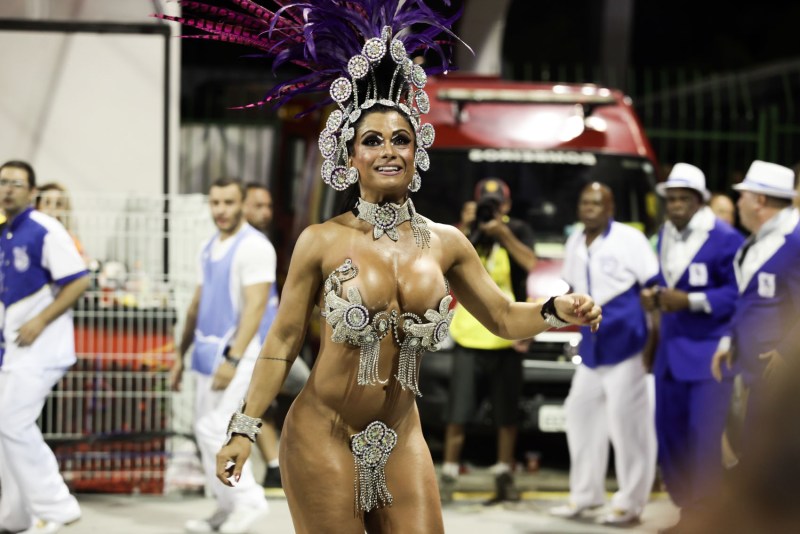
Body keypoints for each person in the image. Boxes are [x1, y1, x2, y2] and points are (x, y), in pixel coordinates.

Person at [158, 3, 602, 533]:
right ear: (349, 158)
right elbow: (283, 339)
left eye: (401, 139)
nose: (388, 151)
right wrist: (244, 428)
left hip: (400, 433)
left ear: (418, 152)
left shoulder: (447, 243)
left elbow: (504, 318)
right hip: (323, 432)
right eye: (372, 140)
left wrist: (556, 310)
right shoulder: (321, 241)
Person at [639, 163, 744, 533]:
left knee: (703, 438)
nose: (676, 205)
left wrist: (691, 301)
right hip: (669, 353)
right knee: (670, 435)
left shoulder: (727, 238)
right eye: (671, 199)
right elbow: (667, 278)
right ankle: (687, 511)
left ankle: (705, 517)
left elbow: (737, 293)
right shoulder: (665, 234)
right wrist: (654, 294)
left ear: (700, 201)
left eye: (684, 198)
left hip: (708, 354)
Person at [170, 177, 275, 533]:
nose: (221, 210)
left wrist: (233, 359)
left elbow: (255, 307)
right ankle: (226, 507)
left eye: (228, 202)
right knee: (204, 432)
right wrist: (179, 354)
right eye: (215, 202)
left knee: (216, 428)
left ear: (242, 204)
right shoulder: (208, 246)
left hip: (237, 354)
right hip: (205, 353)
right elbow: (196, 304)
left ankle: (249, 501)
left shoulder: (255, 247)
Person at [550, 182, 658, 526]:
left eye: (596, 203)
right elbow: (571, 289)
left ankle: (630, 504)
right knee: (579, 414)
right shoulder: (575, 241)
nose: (589, 208)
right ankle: (586, 496)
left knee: (629, 427)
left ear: (610, 208)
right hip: (592, 348)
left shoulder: (631, 239)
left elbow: (653, 290)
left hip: (628, 345)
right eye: (585, 202)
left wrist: (652, 346)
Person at [0, 160, 90, 534]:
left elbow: (79, 280)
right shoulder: (6, 232)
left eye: (15, 183)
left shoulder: (45, 229)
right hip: (14, 349)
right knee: (6, 428)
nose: (7, 189)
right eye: (2, 182)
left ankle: (56, 507)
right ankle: (15, 515)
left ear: (32, 191)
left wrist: (40, 320)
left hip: (42, 348)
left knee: (13, 423)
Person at [440, 178, 536, 503]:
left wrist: (503, 234)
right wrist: (467, 227)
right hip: (468, 335)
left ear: (506, 206)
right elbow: (442, 264)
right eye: (486, 203)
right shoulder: (466, 233)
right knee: (457, 413)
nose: (491, 209)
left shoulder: (517, 230)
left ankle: (503, 474)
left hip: (507, 337)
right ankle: (448, 475)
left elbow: (530, 263)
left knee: (507, 415)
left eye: (497, 203)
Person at [711, 160, 800, 431]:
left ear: (759, 200)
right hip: (752, 370)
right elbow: (746, 299)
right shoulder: (754, 241)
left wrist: (786, 353)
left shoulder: (795, 241)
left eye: (742, 196)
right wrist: (728, 341)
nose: (738, 203)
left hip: (780, 379)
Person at [242, 181, 311, 489]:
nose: (266, 212)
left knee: (261, 403)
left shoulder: (257, 243)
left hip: (269, 340)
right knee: (312, 392)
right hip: (263, 345)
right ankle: (298, 461)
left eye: (269, 206)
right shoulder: (249, 245)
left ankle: (275, 467)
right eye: (258, 205)